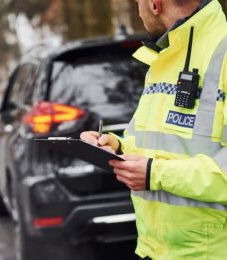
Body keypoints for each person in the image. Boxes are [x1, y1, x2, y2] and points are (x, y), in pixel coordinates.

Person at [80, 0, 227, 259]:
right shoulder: (164, 57)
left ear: (155, 4)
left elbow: (157, 168)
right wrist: (116, 146)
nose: (138, 9)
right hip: (154, 249)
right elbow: (159, 144)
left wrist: (153, 173)